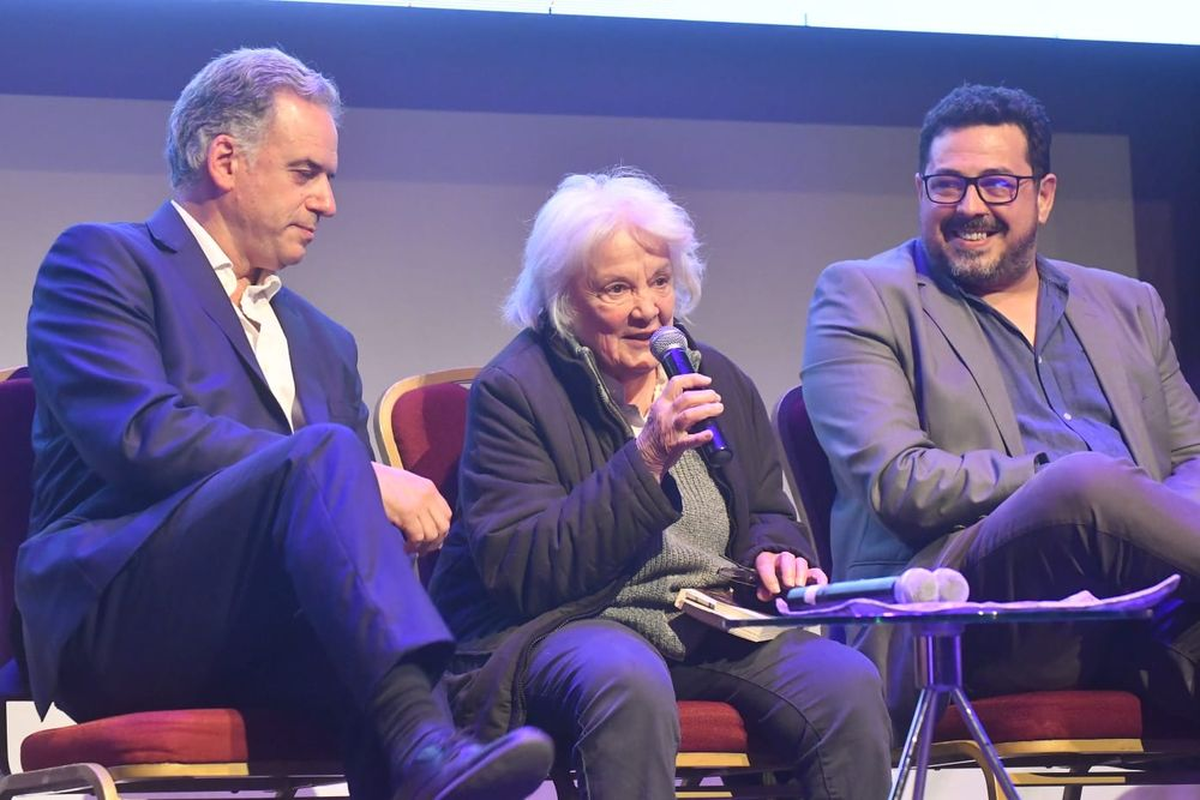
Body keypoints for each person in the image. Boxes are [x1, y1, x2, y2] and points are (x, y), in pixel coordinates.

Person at [19, 47, 553, 800]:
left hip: (264, 626)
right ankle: (428, 744)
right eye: (308, 172)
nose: (329, 201)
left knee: (385, 665)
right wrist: (358, 475)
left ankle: (433, 753)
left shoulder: (326, 343)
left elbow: (340, 527)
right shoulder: (104, 263)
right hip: (118, 615)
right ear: (226, 159)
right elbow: (140, 437)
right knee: (329, 456)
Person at [427, 169, 891, 799]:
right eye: (617, 288)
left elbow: (766, 510)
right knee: (627, 681)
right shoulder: (515, 391)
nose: (649, 309)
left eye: (661, 281)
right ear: (563, 300)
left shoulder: (712, 375)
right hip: (574, 622)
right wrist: (647, 455)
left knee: (846, 682)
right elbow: (524, 567)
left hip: (708, 622)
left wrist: (776, 555)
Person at [802, 84, 1200, 721]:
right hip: (960, 608)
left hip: (1135, 604)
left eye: (997, 185)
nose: (969, 206)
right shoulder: (862, 294)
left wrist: (1141, 518)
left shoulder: (1128, 303)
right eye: (947, 185)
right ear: (920, 190)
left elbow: (1191, 458)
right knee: (1083, 480)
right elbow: (897, 481)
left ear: (1043, 196)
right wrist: (1055, 480)